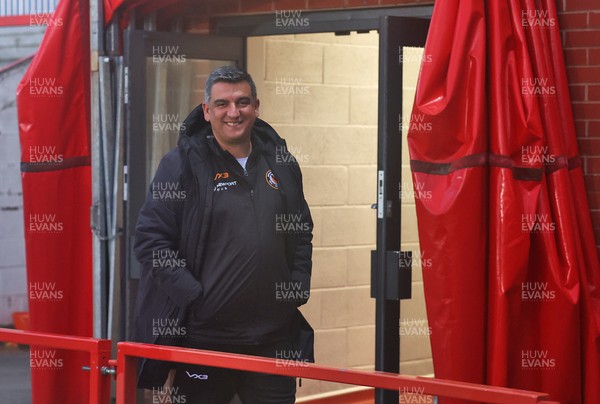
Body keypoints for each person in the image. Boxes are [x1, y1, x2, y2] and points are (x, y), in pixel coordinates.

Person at [133, 65, 314, 403]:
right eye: (223, 104)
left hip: (272, 338)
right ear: (207, 110)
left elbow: (301, 230)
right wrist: (194, 296)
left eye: (243, 102)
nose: (234, 112)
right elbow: (150, 240)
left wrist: (296, 287)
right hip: (206, 337)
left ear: (256, 107)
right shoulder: (183, 165)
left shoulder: (281, 162)